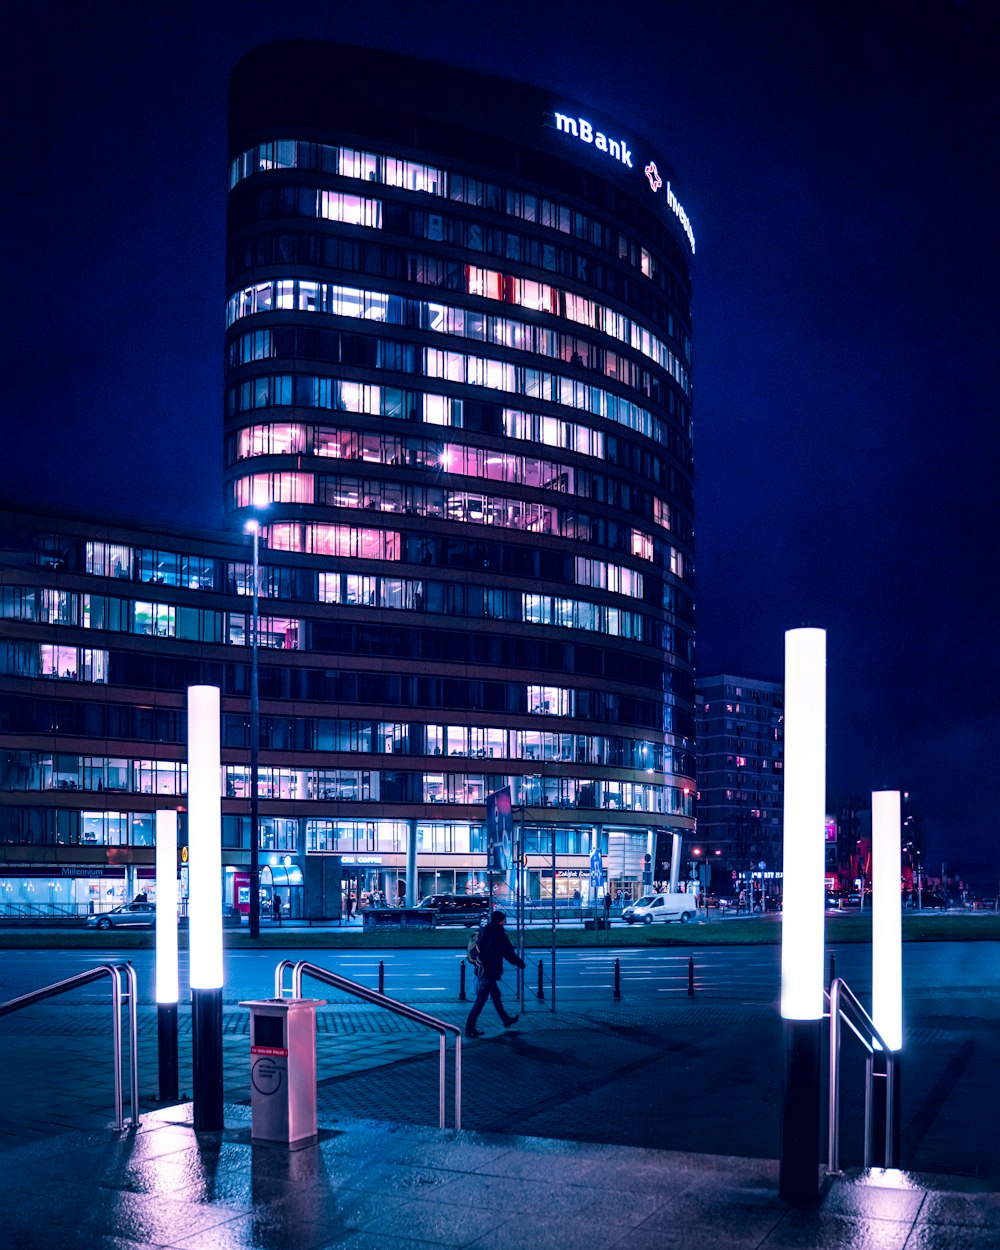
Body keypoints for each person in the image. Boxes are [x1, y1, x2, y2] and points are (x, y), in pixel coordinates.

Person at [465, 909, 525, 1038]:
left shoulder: (485, 930)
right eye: (503, 920)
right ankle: (470, 1027)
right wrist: (520, 963)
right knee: (481, 1000)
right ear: (500, 921)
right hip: (489, 971)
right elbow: (507, 953)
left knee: (496, 995)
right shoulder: (497, 933)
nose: (504, 923)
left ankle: (506, 1020)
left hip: (483, 969)